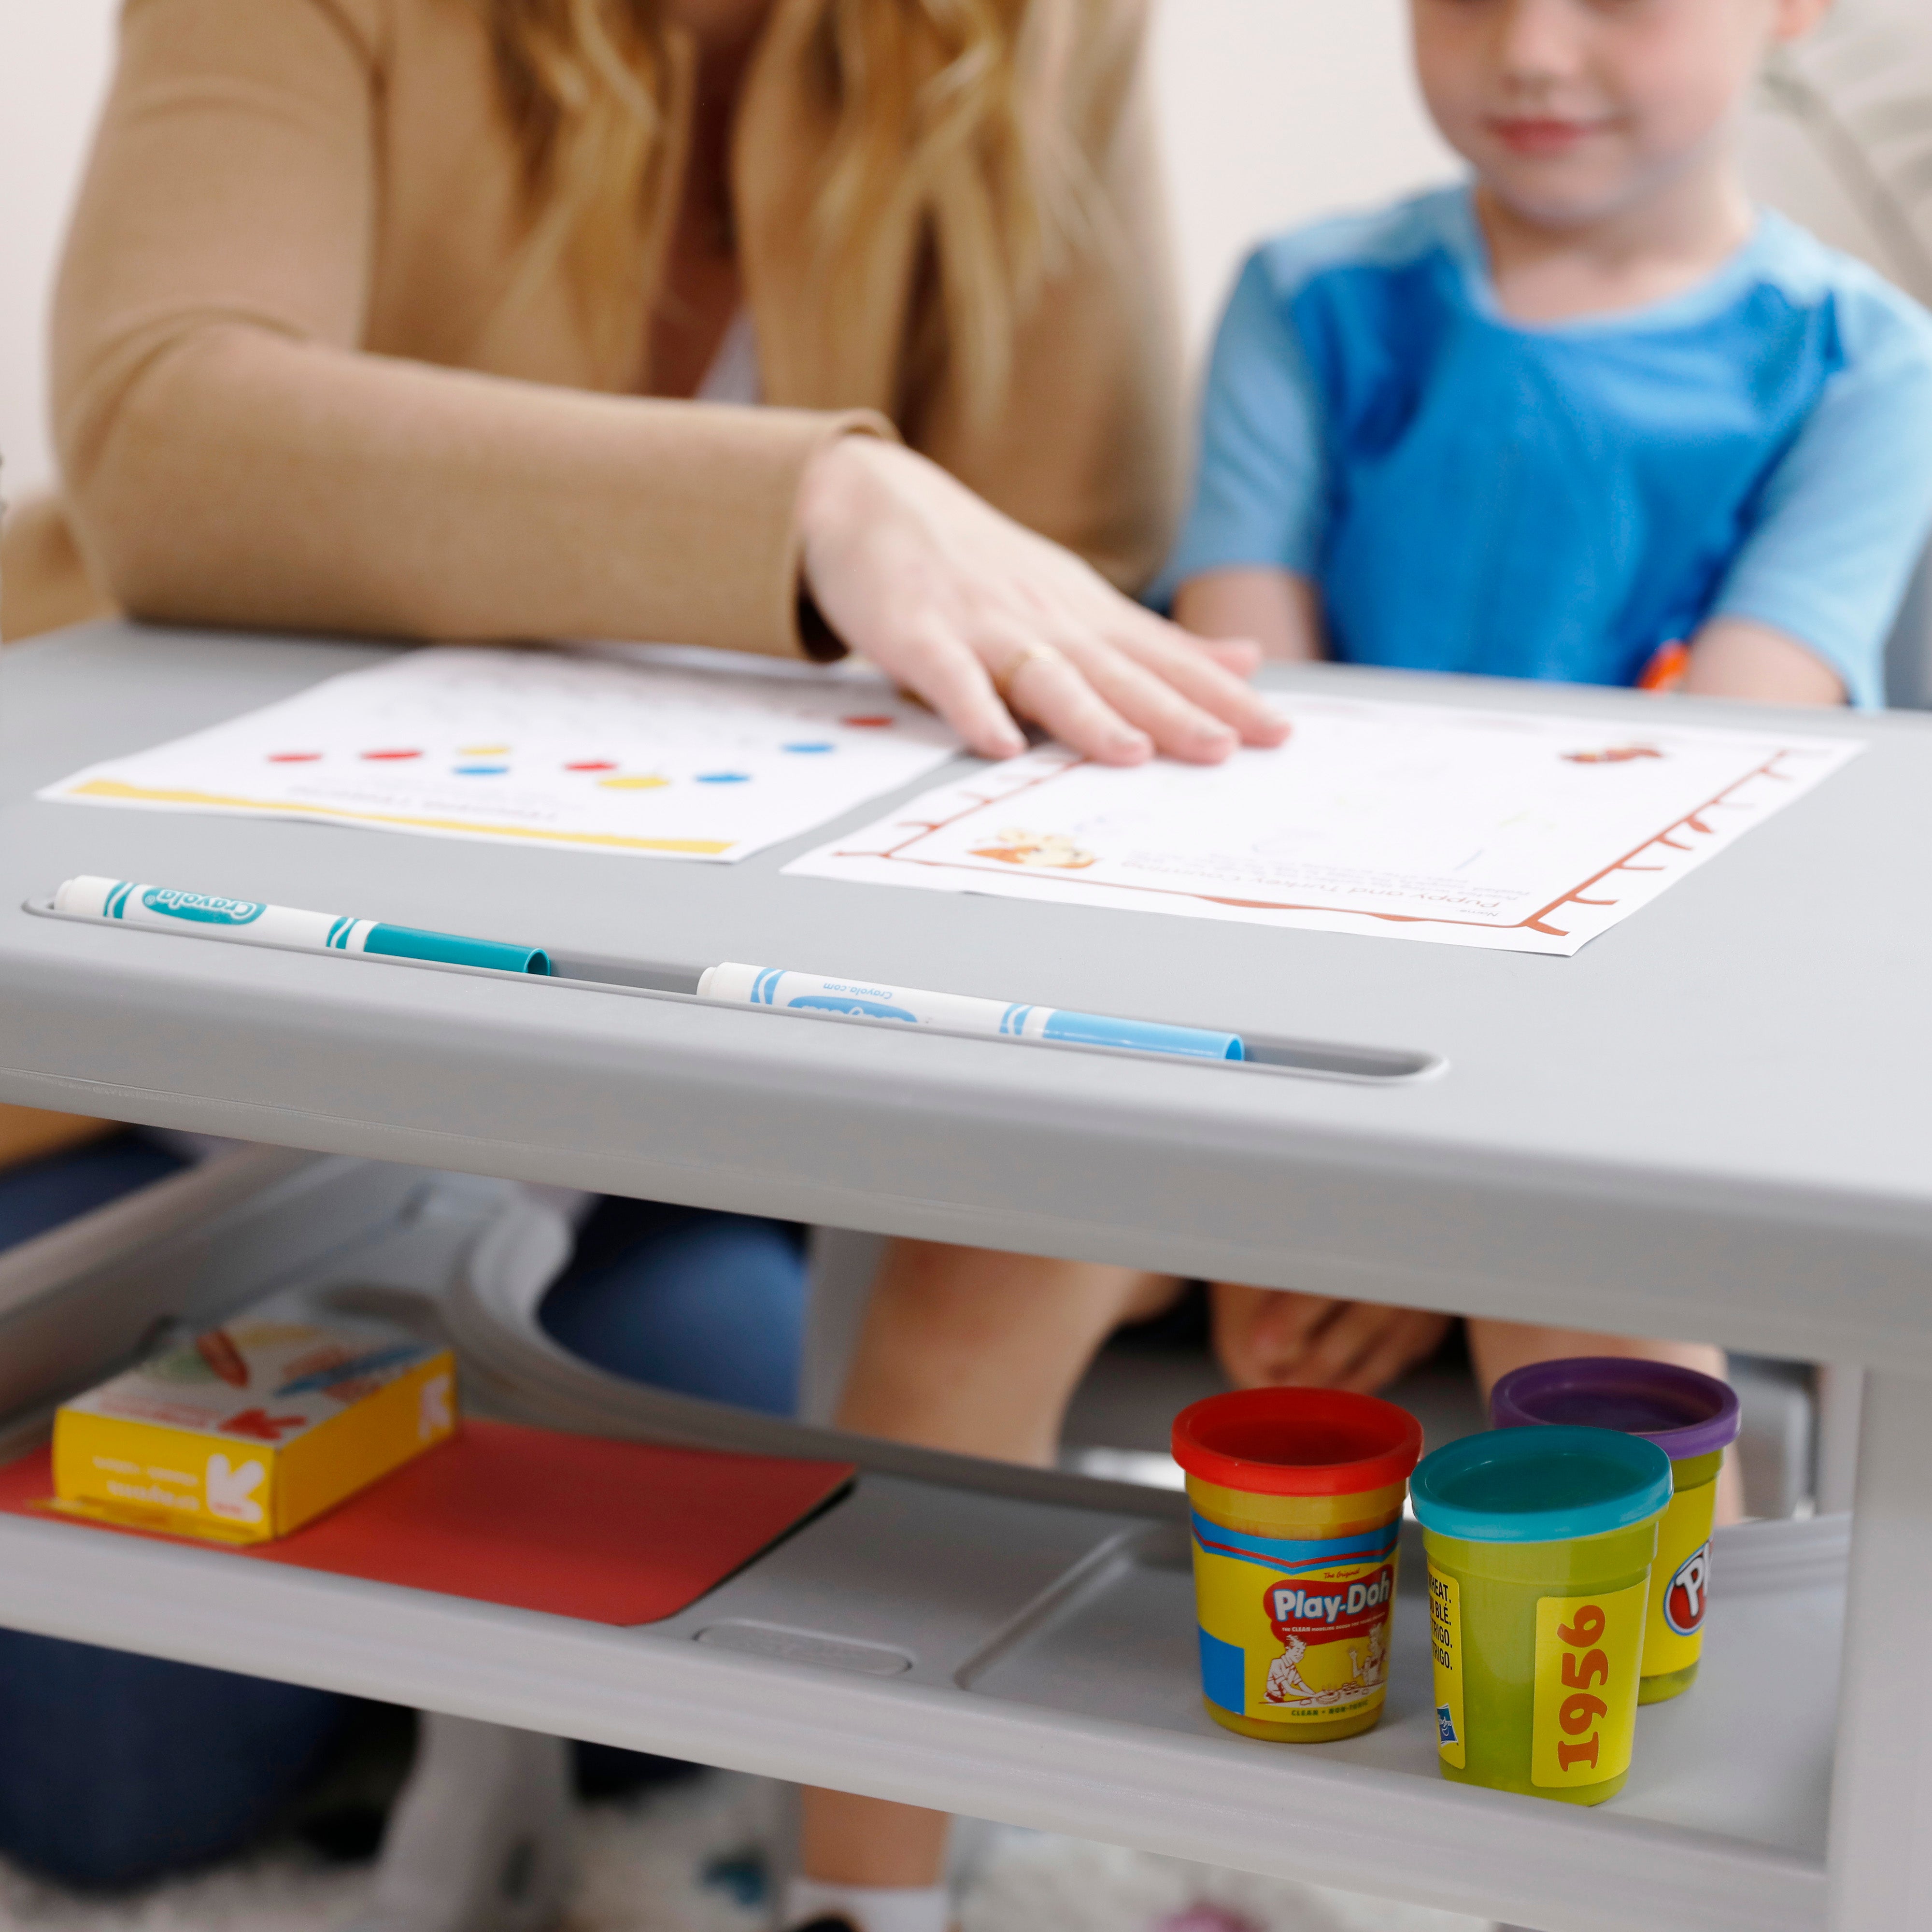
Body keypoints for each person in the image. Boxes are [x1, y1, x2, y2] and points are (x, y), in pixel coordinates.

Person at [0, 0, 1287, 1911]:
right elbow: (162, 424)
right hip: (172, 1047)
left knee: (743, 1548)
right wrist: (813, 499)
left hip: (626, 1088)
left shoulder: (1039, 25)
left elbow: (1066, 561)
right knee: (122, 1771)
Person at [822, 0, 1932, 1923]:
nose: (1534, 50)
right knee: (958, 1278)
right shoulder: (1308, 299)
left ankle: (1652, 1894)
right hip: (1253, 1029)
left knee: (1611, 1362)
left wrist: (1416, 1224)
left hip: (1604, 1098)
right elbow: (1248, 744)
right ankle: (866, 1886)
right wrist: (1323, 1189)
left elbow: (1709, 810)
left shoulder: (1866, 369)